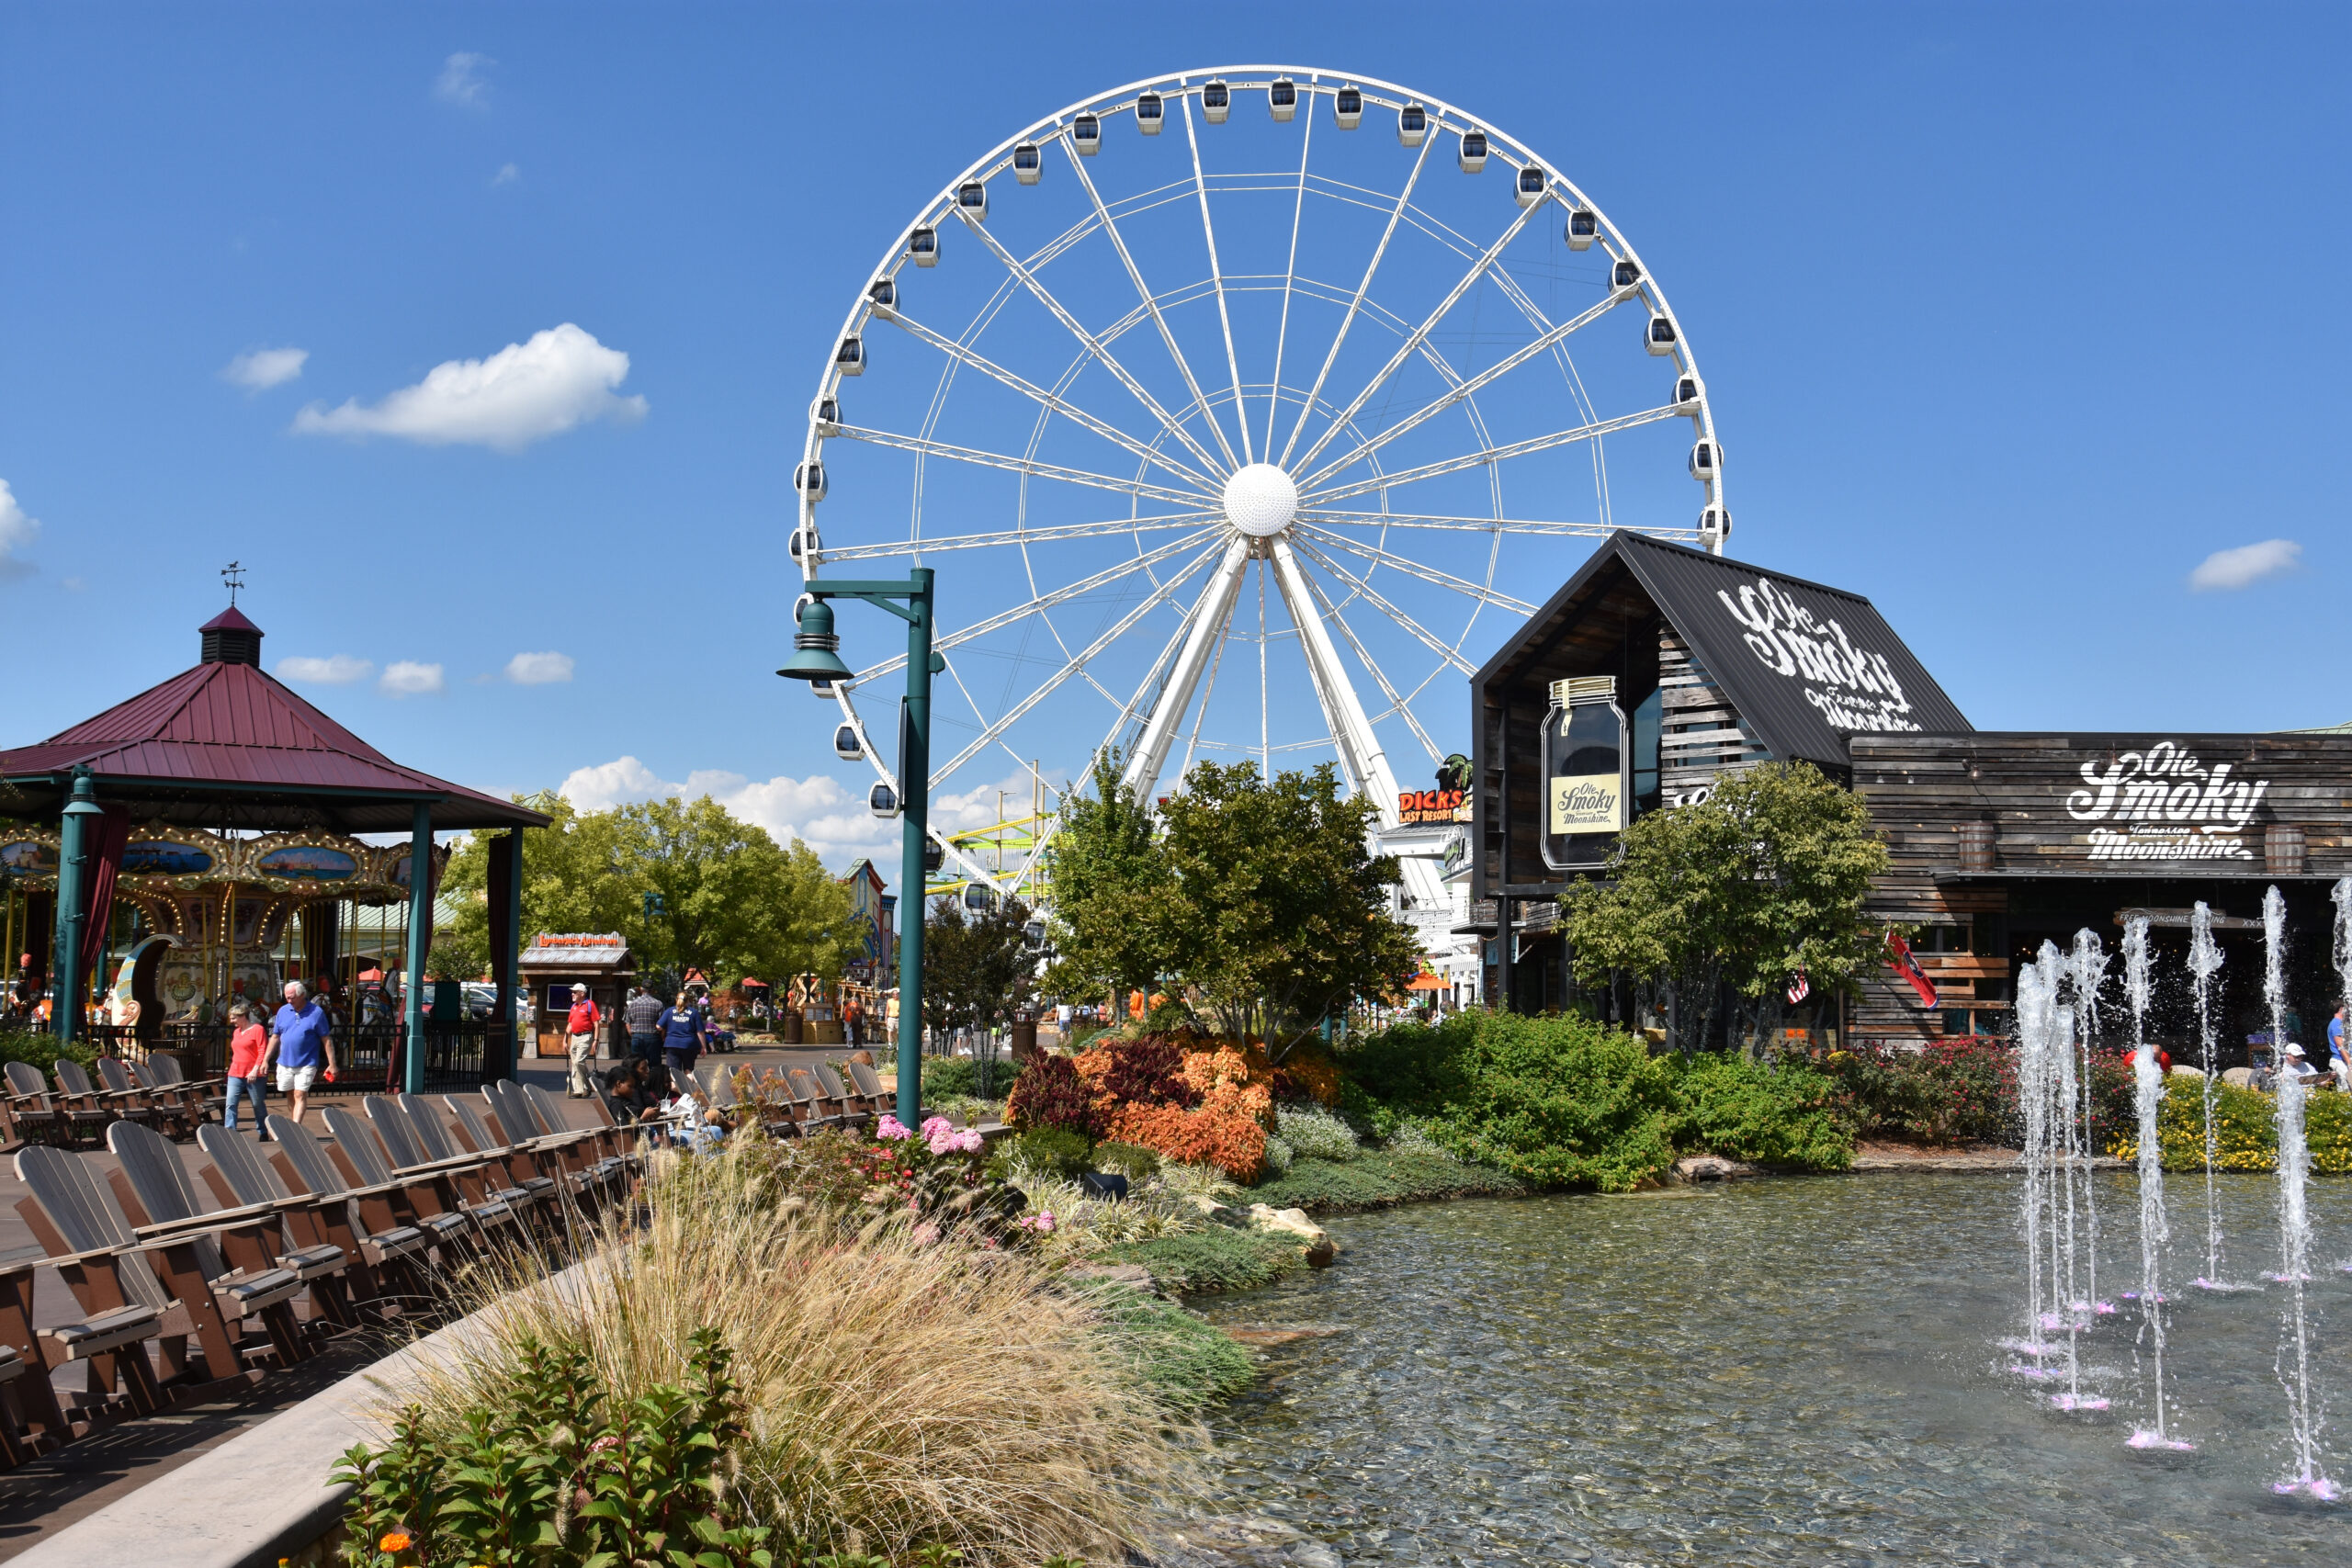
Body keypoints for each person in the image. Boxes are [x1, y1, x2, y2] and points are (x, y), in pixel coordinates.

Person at [265, 979, 336, 1127]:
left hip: (307, 1062)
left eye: (292, 997)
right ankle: (293, 1124)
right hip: (285, 1061)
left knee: (300, 1093)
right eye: (287, 997)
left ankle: (296, 1127)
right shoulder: (283, 1011)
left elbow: (326, 1039)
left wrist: (332, 1064)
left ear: (302, 995)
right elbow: (275, 1036)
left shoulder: (316, 1012)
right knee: (290, 1094)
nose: (289, 1000)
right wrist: (265, 1059)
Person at [223, 1001, 270, 1136]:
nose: (231, 1021)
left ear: (243, 1016)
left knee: (257, 1104)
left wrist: (256, 1069)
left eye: (234, 1018)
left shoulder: (257, 1029)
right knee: (230, 1103)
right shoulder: (237, 1032)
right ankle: (230, 1132)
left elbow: (262, 1050)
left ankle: (263, 1130)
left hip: (254, 1073)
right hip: (236, 1072)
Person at [656, 990, 704, 1081]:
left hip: (672, 1044)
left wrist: (667, 1029)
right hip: (689, 1045)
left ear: (676, 999)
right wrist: (703, 1047)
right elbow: (700, 1032)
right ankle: (689, 1091)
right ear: (688, 1001)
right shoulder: (694, 1012)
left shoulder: (669, 1011)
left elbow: (658, 1026)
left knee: (674, 1072)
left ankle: (675, 1093)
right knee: (688, 1070)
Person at [564, 984, 602, 1098]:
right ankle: (578, 1090)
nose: (572, 994)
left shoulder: (590, 1004)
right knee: (574, 1064)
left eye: (575, 992)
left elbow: (596, 1024)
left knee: (578, 1062)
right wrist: (564, 1040)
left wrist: (596, 1040)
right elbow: (570, 1025)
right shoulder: (574, 1006)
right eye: (572, 992)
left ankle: (587, 1085)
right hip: (574, 1037)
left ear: (582, 993)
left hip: (586, 1036)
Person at [624, 985, 662, 1065]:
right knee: (654, 1065)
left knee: (637, 1064)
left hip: (636, 1036)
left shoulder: (632, 1004)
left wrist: (633, 1035)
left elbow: (627, 1023)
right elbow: (662, 1024)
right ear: (652, 990)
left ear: (641, 989)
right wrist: (662, 1036)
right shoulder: (658, 1004)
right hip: (653, 1036)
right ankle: (653, 1077)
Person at [2330, 1005, 2350, 1093]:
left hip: (2344, 1061)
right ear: (2341, 1009)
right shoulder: (2336, 1023)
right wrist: (2349, 1064)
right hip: (2341, 1060)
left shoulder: (2340, 1023)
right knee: (2348, 1088)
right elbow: (2340, 1046)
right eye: (2348, 1008)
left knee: (2342, 1089)